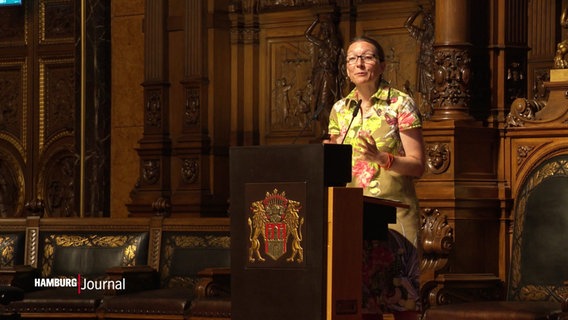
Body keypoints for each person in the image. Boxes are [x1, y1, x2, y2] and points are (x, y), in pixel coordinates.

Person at [326, 36, 426, 320]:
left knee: (401, 302)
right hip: (353, 217)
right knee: (364, 303)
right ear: (346, 69)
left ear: (381, 65)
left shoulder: (400, 104)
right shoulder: (341, 109)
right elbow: (337, 167)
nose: (359, 63)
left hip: (394, 216)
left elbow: (418, 166)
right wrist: (325, 157)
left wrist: (383, 158)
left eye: (367, 57)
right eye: (352, 58)